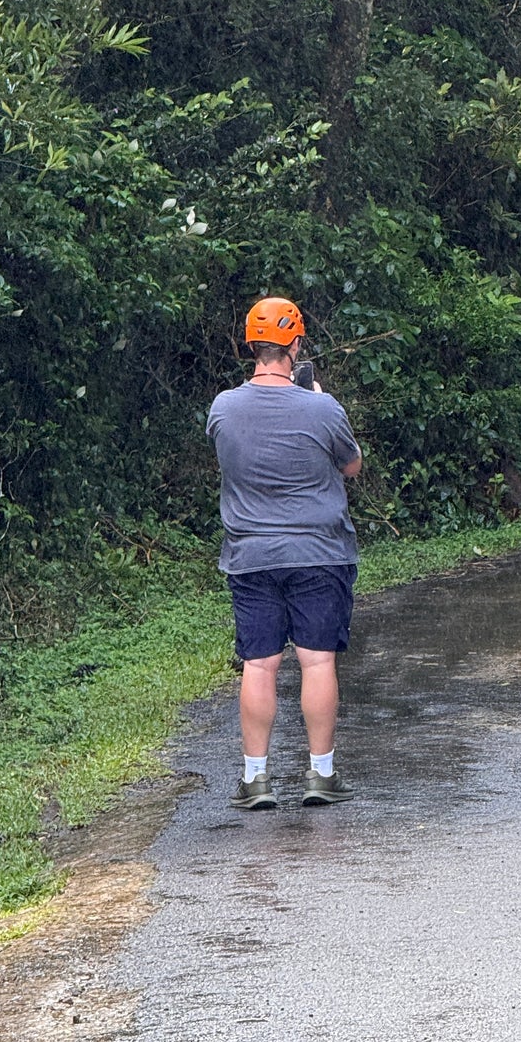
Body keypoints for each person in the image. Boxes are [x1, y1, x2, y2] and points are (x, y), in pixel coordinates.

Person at [206, 295, 363, 810]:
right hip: (319, 551)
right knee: (317, 663)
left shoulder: (223, 408)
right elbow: (351, 466)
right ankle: (321, 774)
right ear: (296, 346)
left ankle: (256, 779)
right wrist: (317, 399)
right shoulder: (322, 408)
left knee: (260, 664)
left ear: (251, 345)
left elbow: (233, 457)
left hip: (251, 555)